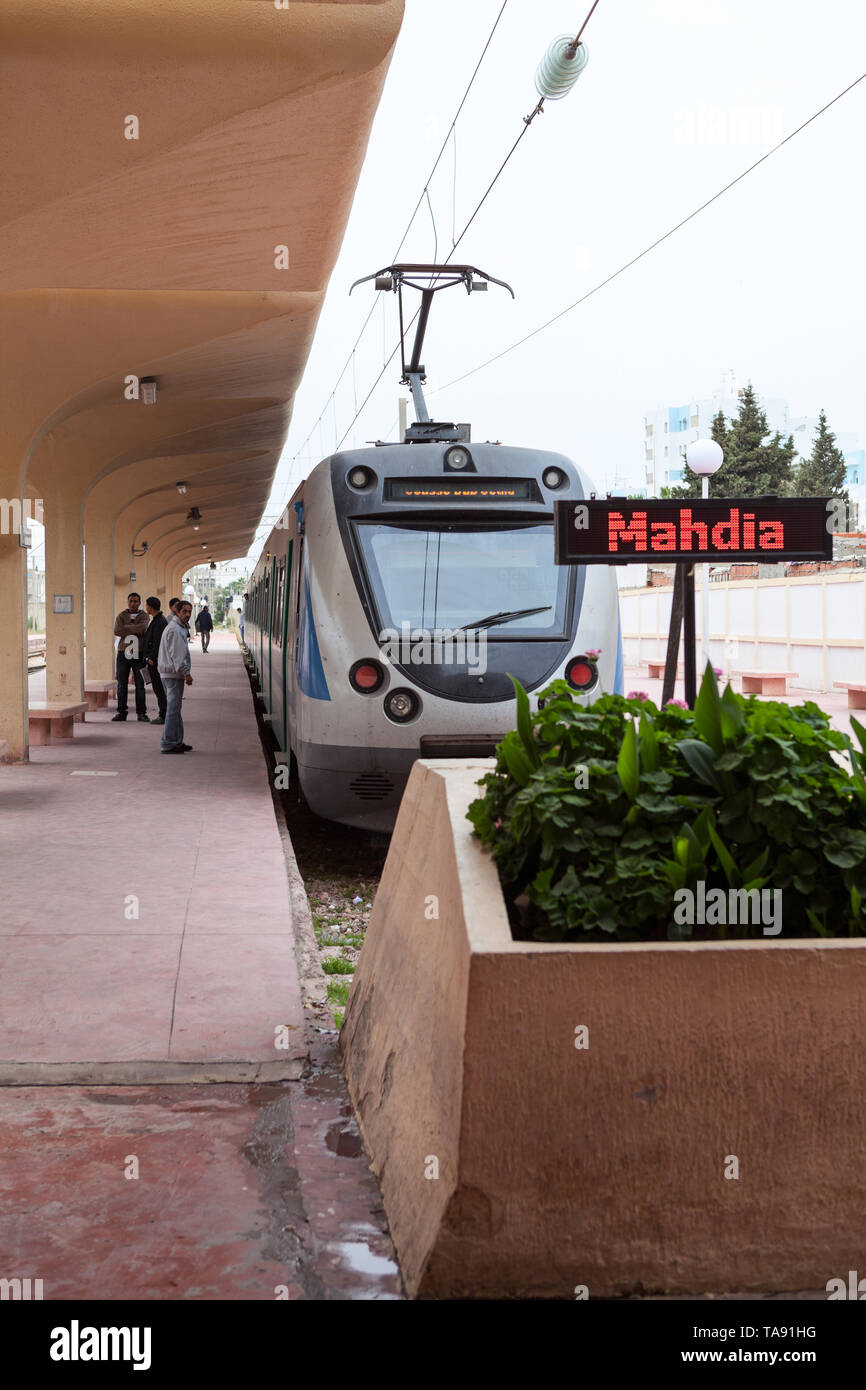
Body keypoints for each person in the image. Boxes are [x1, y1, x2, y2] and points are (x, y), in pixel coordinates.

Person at [157, 599, 194, 754]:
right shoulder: (175, 630)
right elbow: (178, 655)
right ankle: (168, 742)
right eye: (184, 611)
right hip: (173, 674)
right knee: (173, 709)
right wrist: (186, 673)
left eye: (189, 612)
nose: (187, 614)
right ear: (177, 612)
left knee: (175, 708)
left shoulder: (177, 628)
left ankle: (177, 740)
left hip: (170, 673)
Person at [113, 592, 150, 722]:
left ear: (140, 603)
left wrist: (127, 627)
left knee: (140, 684)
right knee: (121, 684)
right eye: (131, 601)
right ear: (127, 602)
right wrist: (135, 628)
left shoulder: (144, 616)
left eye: (136, 601)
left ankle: (141, 713)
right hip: (123, 653)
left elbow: (143, 628)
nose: (133, 603)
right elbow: (117, 630)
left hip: (139, 653)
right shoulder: (121, 615)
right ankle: (121, 712)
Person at [142, 597, 167, 724]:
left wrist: (152, 657)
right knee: (158, 688)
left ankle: (163, 715)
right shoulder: (157, 620)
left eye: (146, 605)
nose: (146, 608)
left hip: (155, 661)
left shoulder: (159, 622)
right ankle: (164, 713)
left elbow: (158, 642)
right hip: (154, 660)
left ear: (150, 607)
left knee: (159, 688)